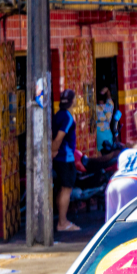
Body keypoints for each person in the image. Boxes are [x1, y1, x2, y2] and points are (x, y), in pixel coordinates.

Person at [51, 89, 80, 232]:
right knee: (66, 190)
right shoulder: (68, 117)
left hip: (59, 158)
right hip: (65, 158)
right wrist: (53, 151)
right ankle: (62, 223)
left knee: (62, 189)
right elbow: (59, 138)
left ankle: (62, 220)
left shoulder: (58, 115)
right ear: (73, 101)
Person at [94, 87, 121, 153]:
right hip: (108, 133)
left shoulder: (94, 108)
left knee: (100, 155)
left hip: (98, 134)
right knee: (109, 153)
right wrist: (106, 90)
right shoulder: (110, 106)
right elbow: (108, 95)